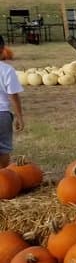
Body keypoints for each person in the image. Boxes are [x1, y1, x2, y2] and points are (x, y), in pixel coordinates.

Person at [0, 36, 25, 168]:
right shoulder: (7, 70)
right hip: (2, 115)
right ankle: (2, 179)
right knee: (3, 149)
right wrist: (19, 117)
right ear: (3, 49)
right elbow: (13, 96)